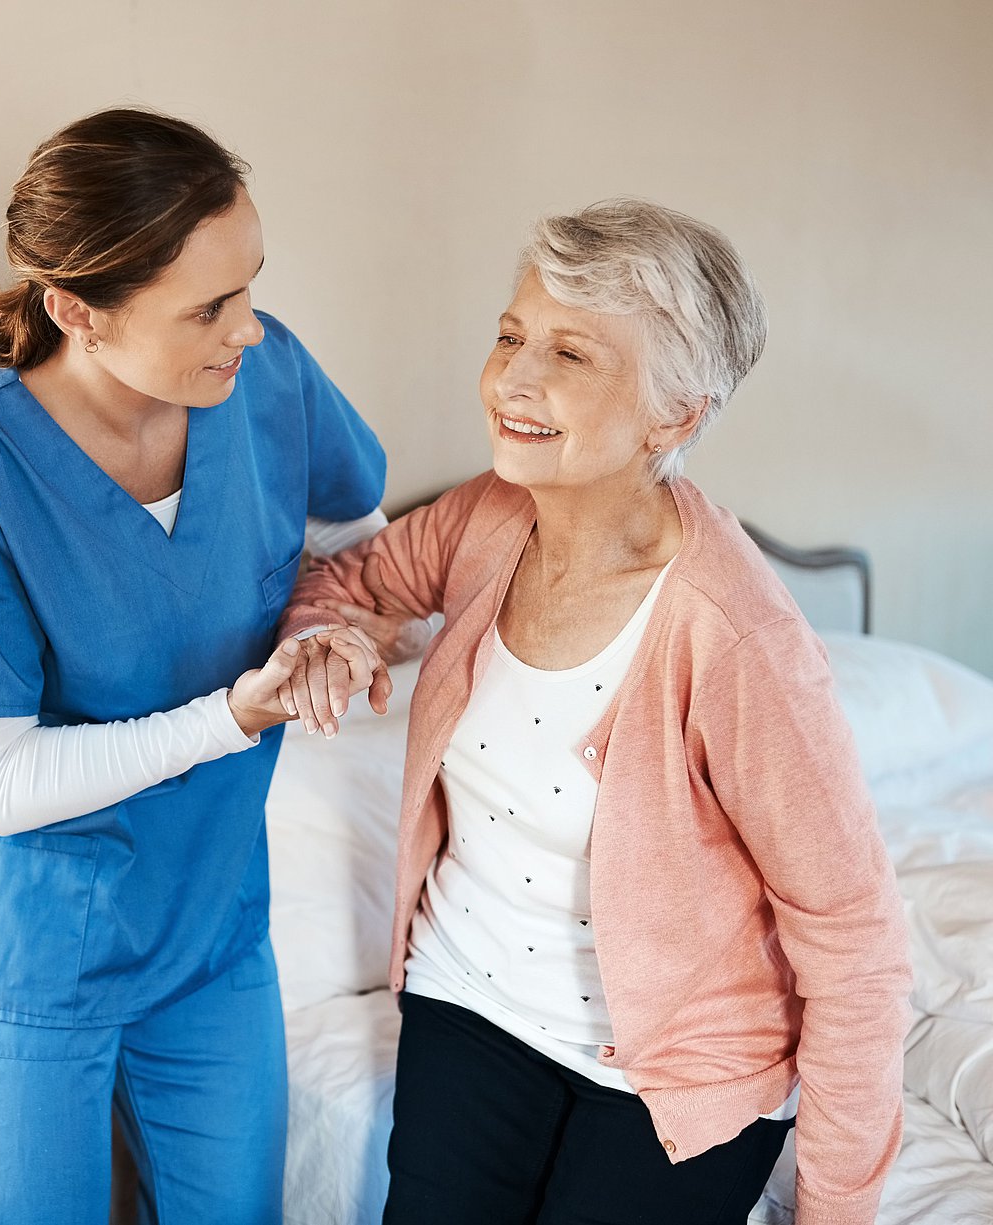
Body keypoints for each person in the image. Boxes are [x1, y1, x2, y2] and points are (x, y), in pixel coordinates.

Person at [280, 198, 912, 1225]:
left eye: (571, 353)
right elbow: (352, 584)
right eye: (511, 335)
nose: (514, 380)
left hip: (674, 1064)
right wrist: (331, 636)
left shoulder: (734, 632)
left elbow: (854, 938)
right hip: (468, 1001)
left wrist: (837, 1210)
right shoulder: (484, 517)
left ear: (676, 415)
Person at [0, 107, 389, 1225]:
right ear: (77, 312)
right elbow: (3, 786)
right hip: (34, 952)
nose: (247, 328)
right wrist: (236, 714)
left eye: (251, 285)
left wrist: (323, 623)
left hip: (212, 931)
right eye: (209, 307)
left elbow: (364, 545)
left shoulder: (267, 383)